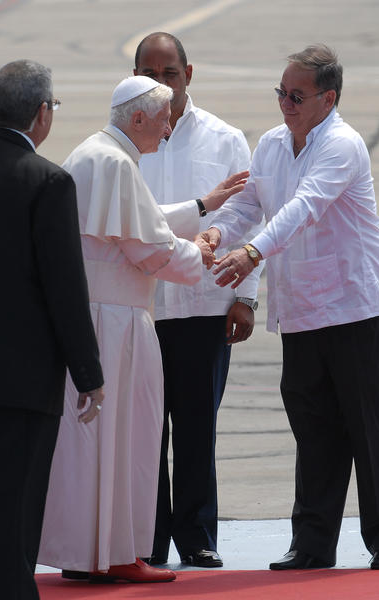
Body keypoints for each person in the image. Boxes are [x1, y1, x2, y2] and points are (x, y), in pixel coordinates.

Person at [200, 44, 379, 571]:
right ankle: (313, 543)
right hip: (303, 311)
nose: (286, 103)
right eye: (281, 93)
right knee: (314, 430)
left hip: (357, 306)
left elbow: (305, 206)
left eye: (297, 95)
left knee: (374, 428)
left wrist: (251, 254)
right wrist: (222, 231)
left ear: (328, 98)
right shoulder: (270, 144)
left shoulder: (343, 144)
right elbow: (251, 202)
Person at [38, 75, 248, 583]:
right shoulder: (114, 162)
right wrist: (196, 253)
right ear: (137, 119)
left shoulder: (96, 153)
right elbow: (149, 248)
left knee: (95, 444)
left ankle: (88, 553)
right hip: (116, 324)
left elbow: (142, 220)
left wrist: (202, 207)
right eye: (162, 120)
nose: (168, 128)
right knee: (128, 437)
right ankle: (118, 555)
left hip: (99, 318)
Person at [134, 32, 264, 568]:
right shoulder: (124, 140)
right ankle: (146, 540)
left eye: (170, 74)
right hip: (141, 309)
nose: (161, 85)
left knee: (195, 427)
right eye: (150, 75)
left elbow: (250, 217)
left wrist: (246, 298)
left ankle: (197, 536)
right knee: (143, 432)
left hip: (205, 307)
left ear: (190, 75)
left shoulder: (226, 138)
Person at [0, 60, 104, 600]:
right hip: (24, 379)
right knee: (17, 508)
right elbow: (64, 288)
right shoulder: (49, 182)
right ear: (42, 114)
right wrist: (88, 373)